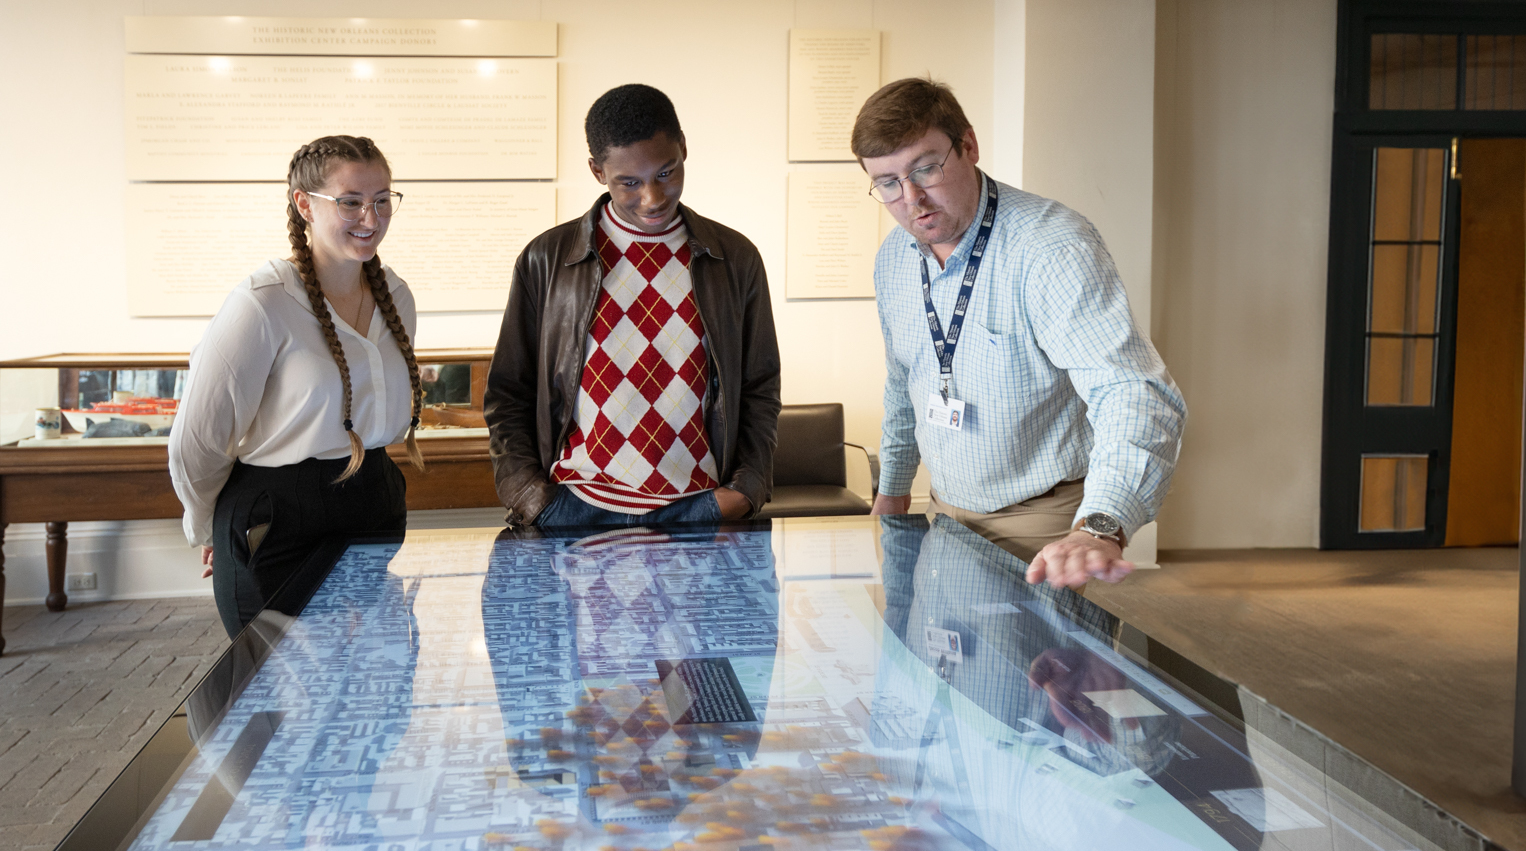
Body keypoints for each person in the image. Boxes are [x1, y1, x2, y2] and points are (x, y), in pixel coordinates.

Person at [853, 78, 1187, 590]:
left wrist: (1100, 527)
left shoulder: (1051, 247)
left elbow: (1132, 391)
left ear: (967, 146)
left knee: (1038, 673)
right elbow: (905, 381)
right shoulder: (894, 258)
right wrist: (894, 492)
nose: (911, 198)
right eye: (889, 183)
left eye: (925, 168)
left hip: (1047, 529)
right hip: (944, 515)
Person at [484, 84, 781, 528]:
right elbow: (509, 392)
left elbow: (760, 388)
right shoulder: (545, 259)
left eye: (666, 173)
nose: (653, 198)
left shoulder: (734, 258)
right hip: (574, 506)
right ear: (596, 171)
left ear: (683, 148)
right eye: (630, 182)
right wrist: (532, 497)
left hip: (698, 508)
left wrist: (744, 491)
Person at [169, 135, 426, 637]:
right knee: (287, 699)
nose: (370, 219)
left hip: (373, 505)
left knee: (378, 690)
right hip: (277, 521)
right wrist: (210, 528)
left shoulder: (396, 294)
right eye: (350, 202)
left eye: (381, 201)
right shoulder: (262, 303)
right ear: (304, 204)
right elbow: (196, 441)